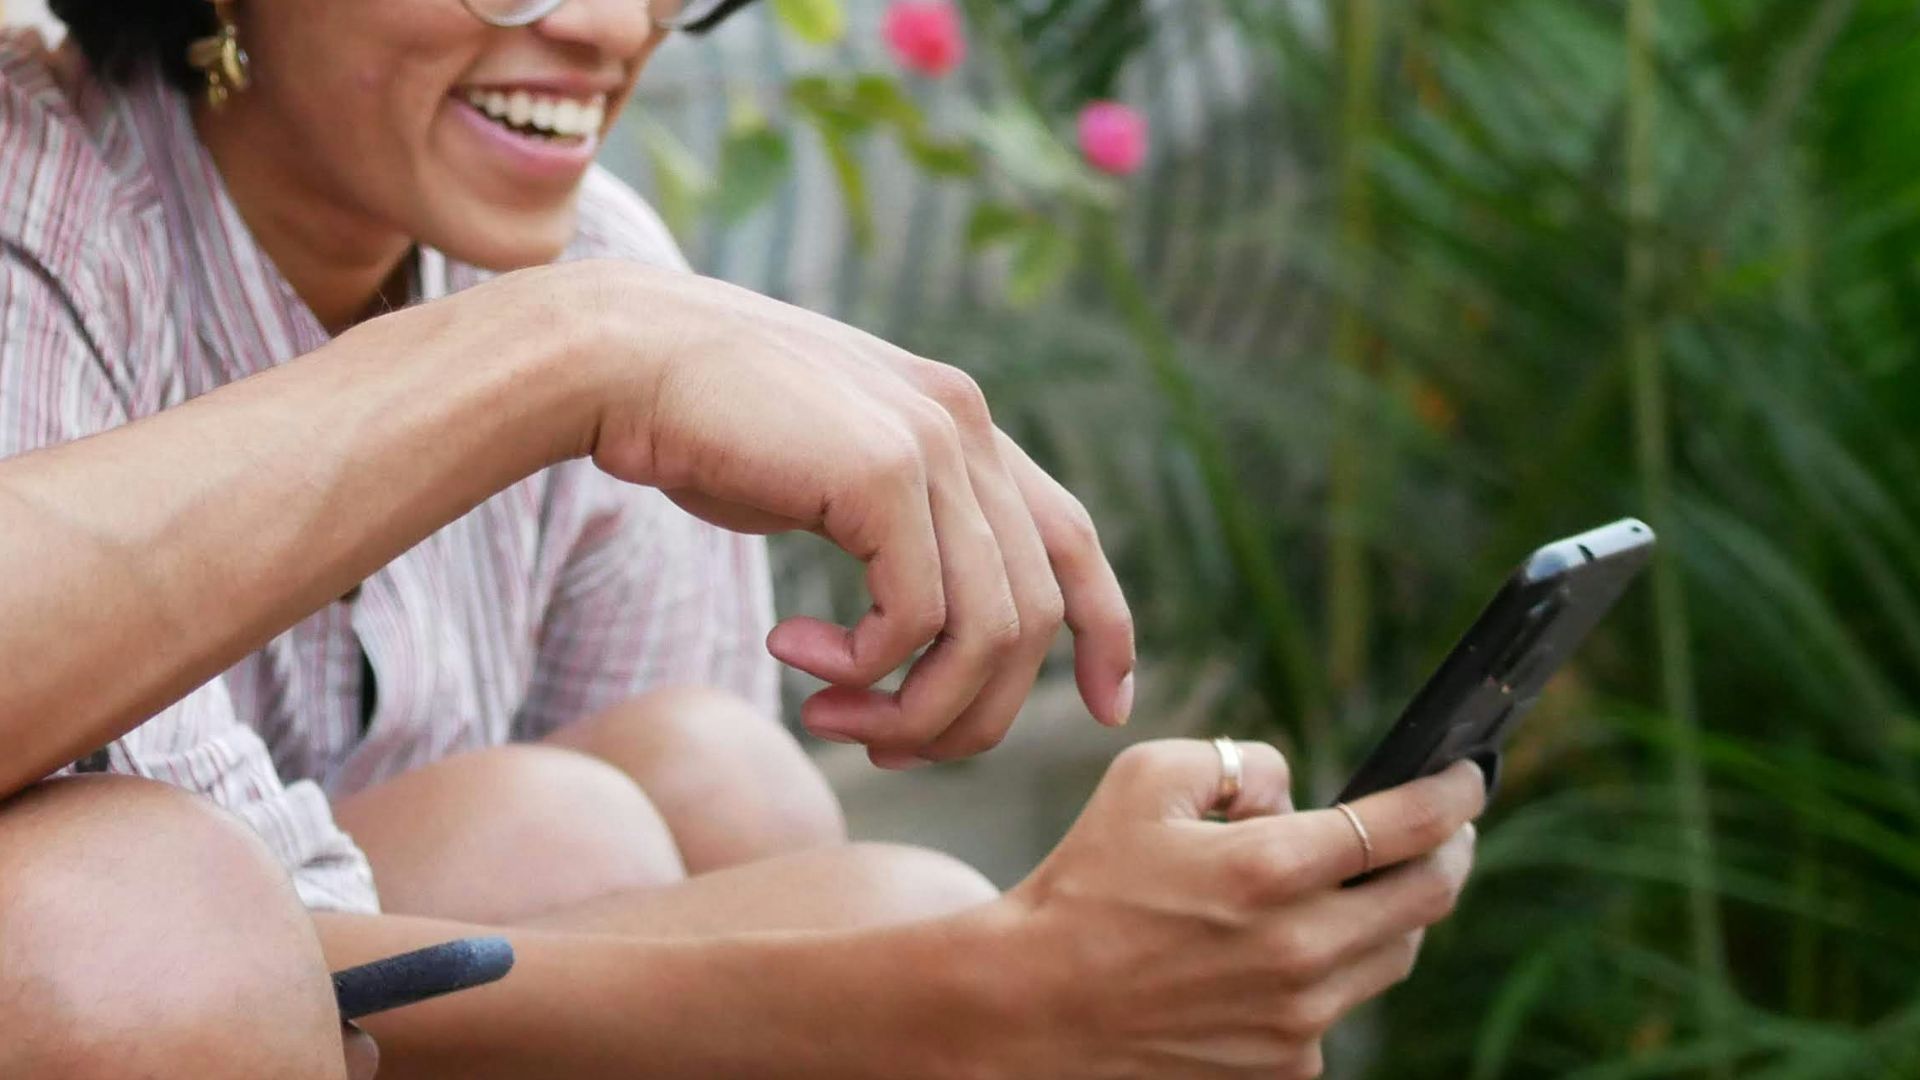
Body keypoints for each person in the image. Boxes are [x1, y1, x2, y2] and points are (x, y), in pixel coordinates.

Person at [0, 1, 1486, 1076]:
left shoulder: (600, 261)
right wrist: (969, 993)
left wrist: (992, 982)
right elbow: (189, 965)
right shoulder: (46, 215)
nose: (599, 24)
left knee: (684, 781)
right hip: (127, 974)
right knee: (148, 930)